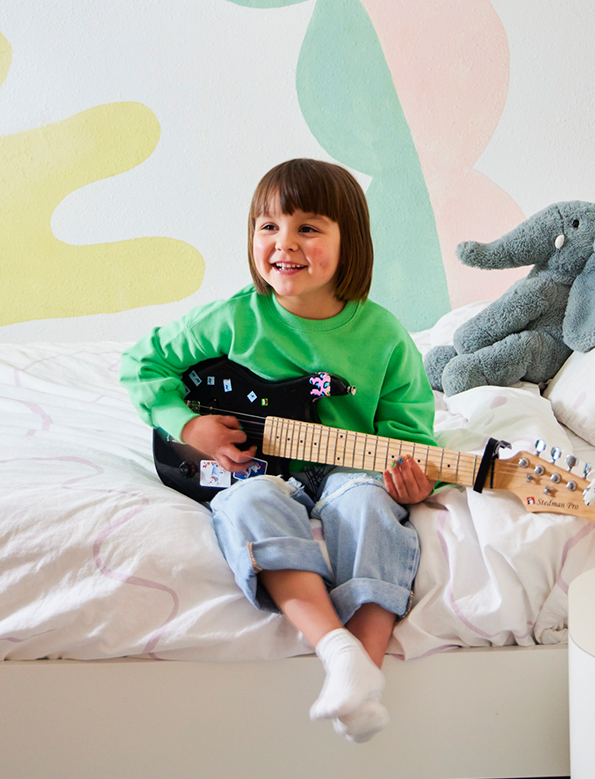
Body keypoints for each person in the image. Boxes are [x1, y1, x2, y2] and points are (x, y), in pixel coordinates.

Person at [120, 158, 436, 743]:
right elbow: (143, 364)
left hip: (348, 467)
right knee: (245, 505)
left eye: (308, 228)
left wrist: (416, 478)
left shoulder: (386, 338)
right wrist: (190, 427)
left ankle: (364, 670)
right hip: (258, 470)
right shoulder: (235, 318)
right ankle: (336, 649)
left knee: (367, 508)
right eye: (268, 227)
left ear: (352, 243)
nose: (283, 243)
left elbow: (411, 435)